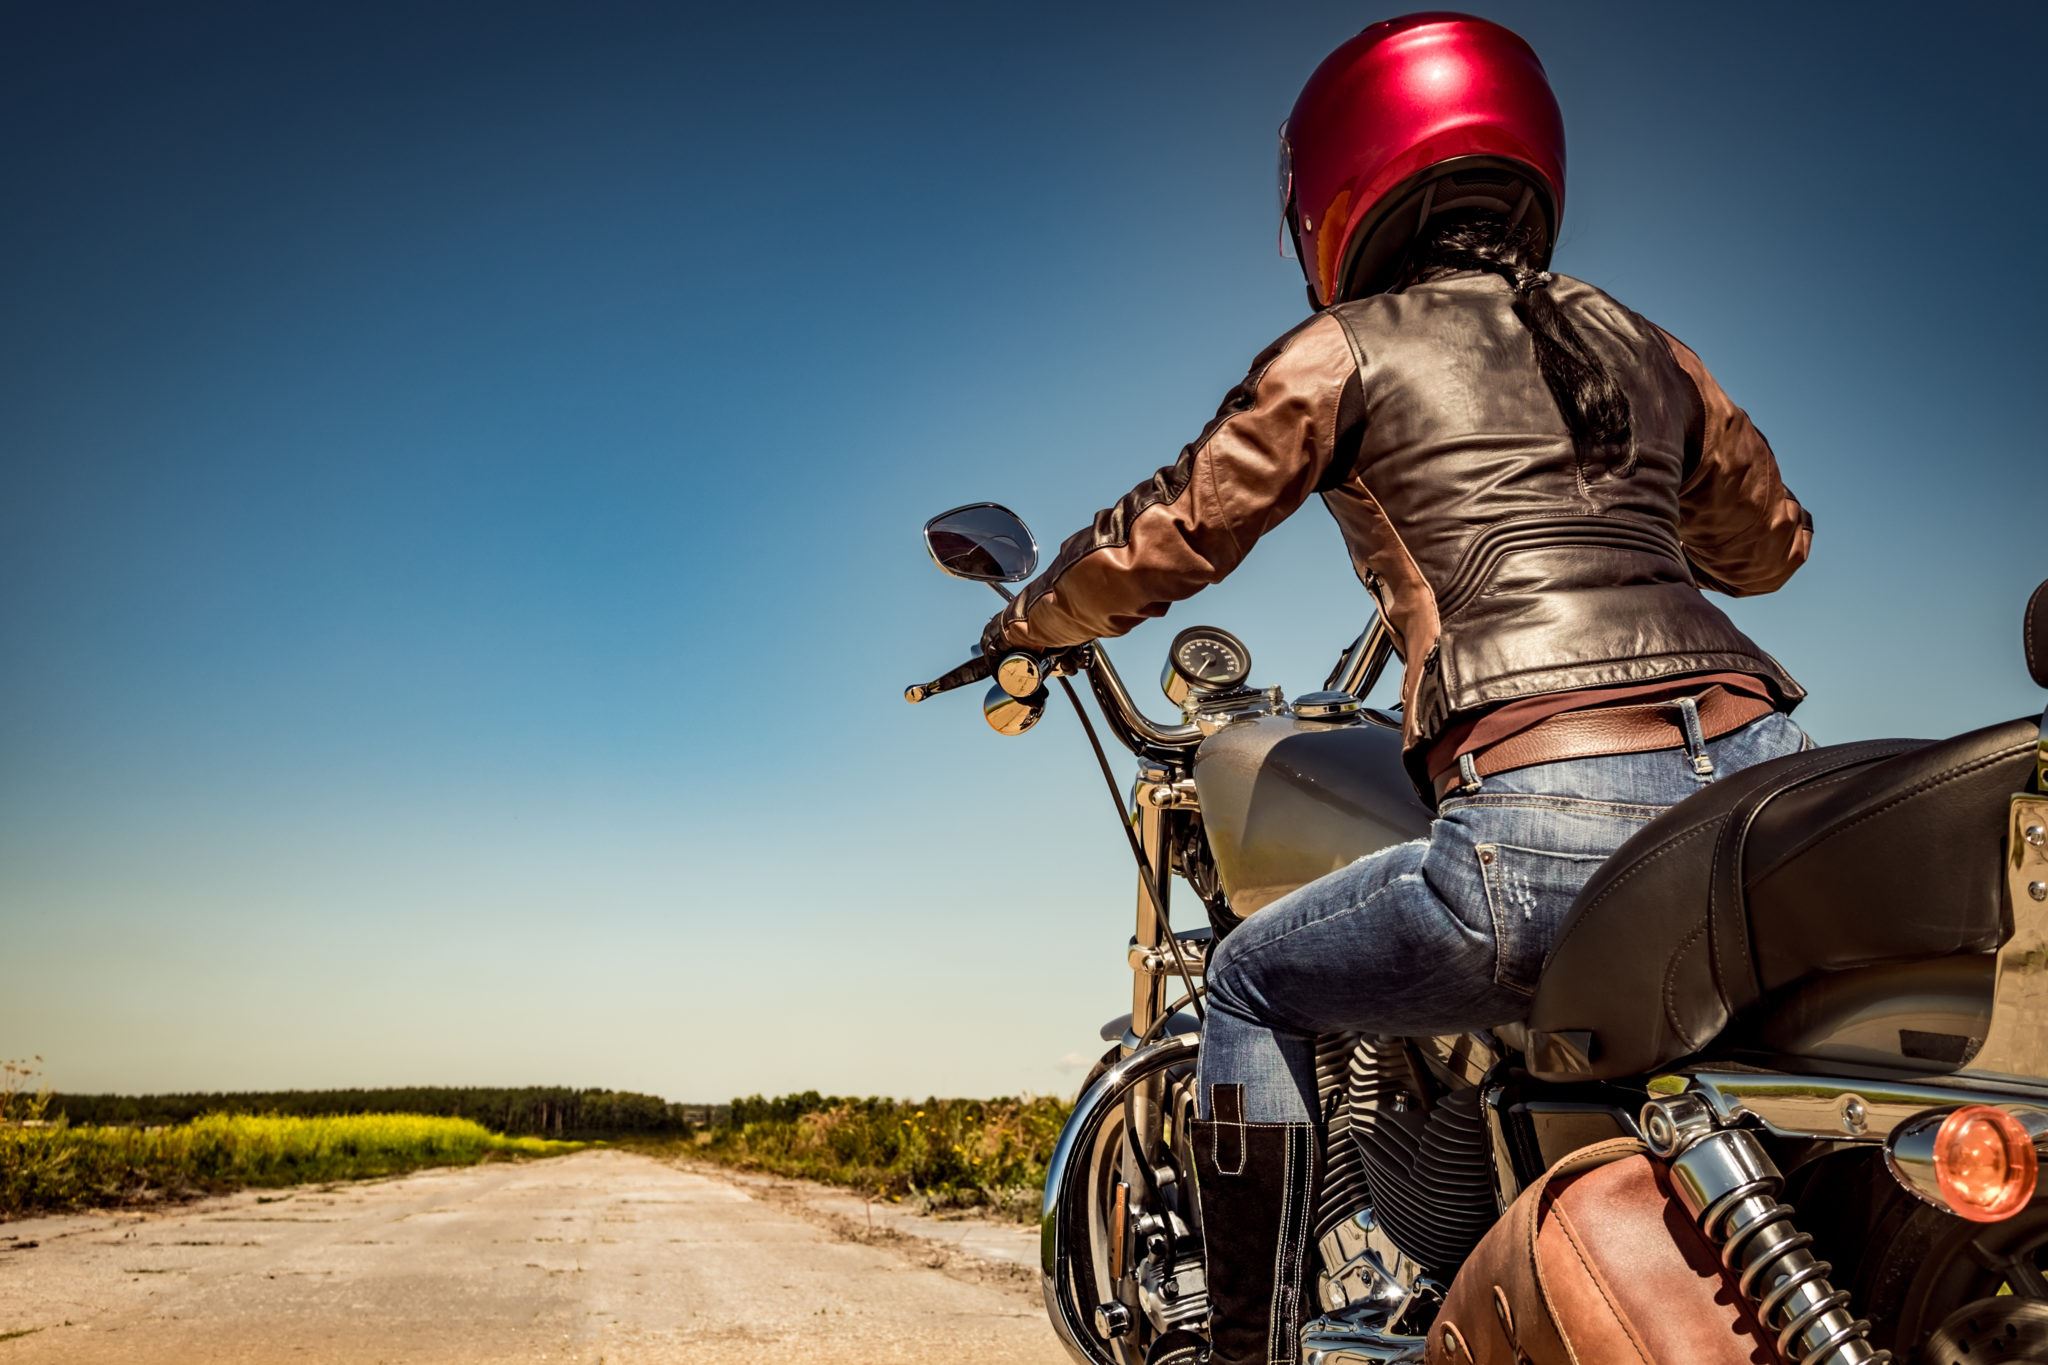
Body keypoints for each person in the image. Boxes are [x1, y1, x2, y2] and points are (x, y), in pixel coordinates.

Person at [982, 14, 1813, 1364]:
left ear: (1339, 181)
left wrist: (1030, 616)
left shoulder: (1348, 347)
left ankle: (1251, 1350)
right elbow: (1770, 546)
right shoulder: (1646, 346)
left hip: (1551, 807)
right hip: (1769, 787)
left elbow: (1180, 523)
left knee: (1252, 981)